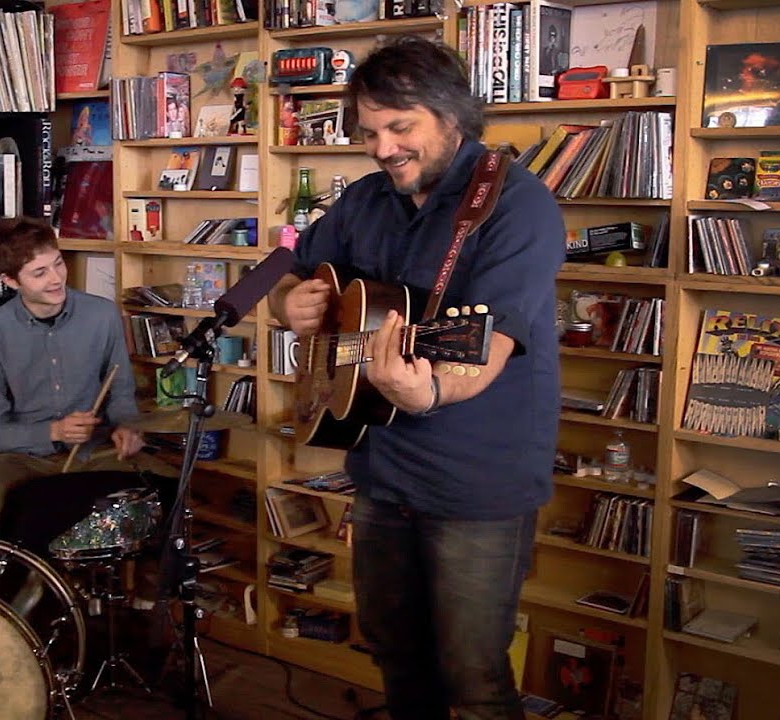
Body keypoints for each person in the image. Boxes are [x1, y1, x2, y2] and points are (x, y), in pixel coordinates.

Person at [267, 36, 565, 720]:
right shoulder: (367, 200)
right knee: (396, 657)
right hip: (381, 468)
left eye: (400, 128)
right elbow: (293, 266)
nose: (382, 149)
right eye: (370, 132)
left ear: (451, 115)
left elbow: (488, 344)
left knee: (476, 680)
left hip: (476, 481)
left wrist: (431, 389)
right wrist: (292, 303)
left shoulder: (519, 206)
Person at [0, 216, 146, 537]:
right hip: (24, 456)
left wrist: (126, 427)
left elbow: (121, 389)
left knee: (159, 488)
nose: (56, 279)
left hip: (97, 451)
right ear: (10, 281)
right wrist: (54, 431)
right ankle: (5, 583)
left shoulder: (103, 315)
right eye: (40, 272)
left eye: (58, 264)